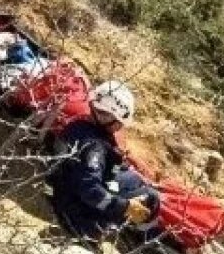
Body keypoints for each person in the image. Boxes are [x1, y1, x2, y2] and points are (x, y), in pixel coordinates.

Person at [47, 80, 160, 240]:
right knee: (151, 197)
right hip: (77, 210)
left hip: (65, 188)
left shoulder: (80, 126)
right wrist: (124, 207)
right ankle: (145, 243)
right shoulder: (95, 147)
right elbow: (89, 190)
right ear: (106, 115)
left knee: (131, 180)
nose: (119, 127)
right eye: (118, 122)